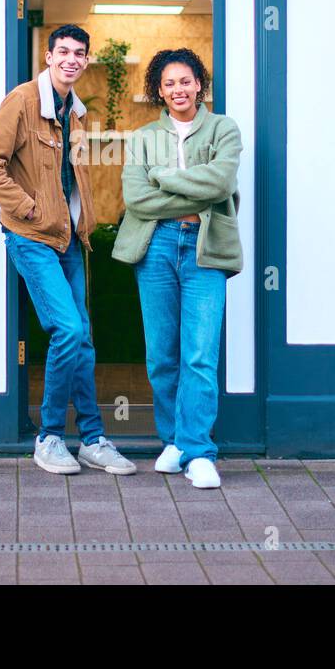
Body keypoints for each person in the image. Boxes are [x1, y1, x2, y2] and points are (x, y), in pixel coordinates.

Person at [0, 24, 136, 477]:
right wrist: (27, 208)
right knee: (67, 330)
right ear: (48, 56)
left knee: (82, 337)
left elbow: (72, 178)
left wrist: (86, 223)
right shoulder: (23, 100)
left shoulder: (75, 111)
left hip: (68, 239)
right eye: (63, 51)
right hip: (32, 237)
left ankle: (93, 439)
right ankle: (48, 437)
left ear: (85, 60)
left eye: (79, 53)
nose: (71, 59)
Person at [112, 48, 243, 489]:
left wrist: (164, 178)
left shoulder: (224, 128)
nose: (178, 90)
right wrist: (196, 190)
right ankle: (173, 442)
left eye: (185, 81)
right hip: (157, 246)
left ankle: (200, 450)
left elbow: (221, 182)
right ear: (159, 90)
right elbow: (136, 199)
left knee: (200, 354)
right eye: (168, 83)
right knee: (162, 354)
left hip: (206, 247)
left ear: (199, 84)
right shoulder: (143, 136)